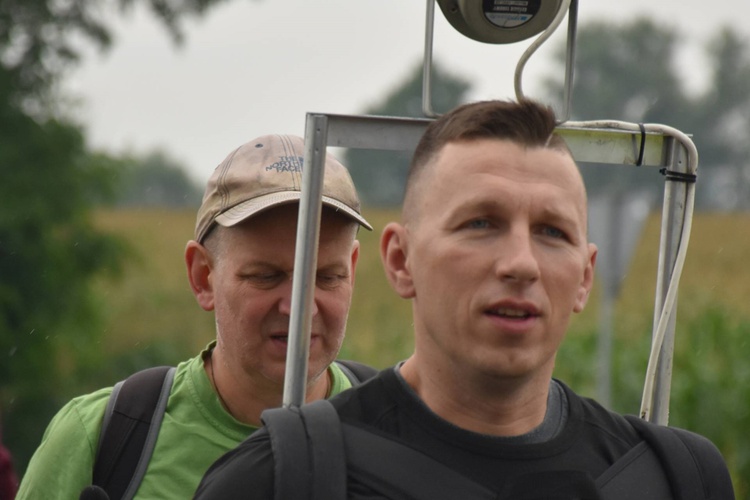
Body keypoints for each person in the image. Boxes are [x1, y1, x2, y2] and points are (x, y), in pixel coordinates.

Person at [194, 100, 735, 499]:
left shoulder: (674, 478)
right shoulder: (280, 479)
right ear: (401, 260)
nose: (521, 263)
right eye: (481, 223)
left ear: (585, 277)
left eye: (552, 232)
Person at [16, 134, 373, 499]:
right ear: (203, 276)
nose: (299, 307)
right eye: (266, 276)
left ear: (353, 270)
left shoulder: (393, 432)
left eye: (327, 277)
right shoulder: (100, 439)